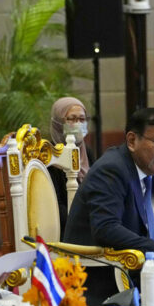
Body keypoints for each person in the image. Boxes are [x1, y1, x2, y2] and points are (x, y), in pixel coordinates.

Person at [63, 106, 154, 302]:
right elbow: (106, 228)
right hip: (106, 278)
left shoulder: (152, 169)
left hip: (143, 271)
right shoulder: (111, 169)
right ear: (131, 140)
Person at [48, 96, 94, 233]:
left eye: (82, 119)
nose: (78, 124)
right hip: (62, 227)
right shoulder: (49, 154)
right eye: (72, 119)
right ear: (58, 122)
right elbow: (54, 205)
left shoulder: (88, 152)